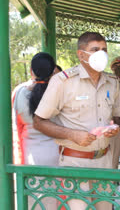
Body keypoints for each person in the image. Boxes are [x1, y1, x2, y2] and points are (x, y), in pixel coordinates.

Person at [33, 32, 120, 210]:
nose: (102, 54)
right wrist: (72, 134)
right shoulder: (63, 81)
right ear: (81, 54)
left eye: (104, 49)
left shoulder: (112, 82)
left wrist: (113, 128)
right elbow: (39, 122)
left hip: (104, 159)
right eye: (95, 49)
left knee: (106, 207)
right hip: (74, 160)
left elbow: (116, 117)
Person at [12, 52, 59, 210]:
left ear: (31, 71)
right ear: (53, 71)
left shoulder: (20, 92)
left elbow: (14, 126)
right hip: (57, 154)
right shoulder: (59, 92)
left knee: (34, 200)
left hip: (30, 155)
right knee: (56, 198)